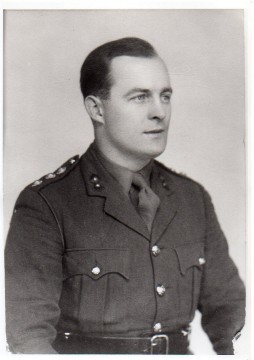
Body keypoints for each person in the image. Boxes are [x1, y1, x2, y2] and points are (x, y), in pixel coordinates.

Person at [5, 37, 245, 355]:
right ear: (96, 109)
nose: (160, 112)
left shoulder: (192, 198)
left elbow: (231, 314)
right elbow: (28, 338)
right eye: (140, 97)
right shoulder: (47, 204)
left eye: (165, 96)